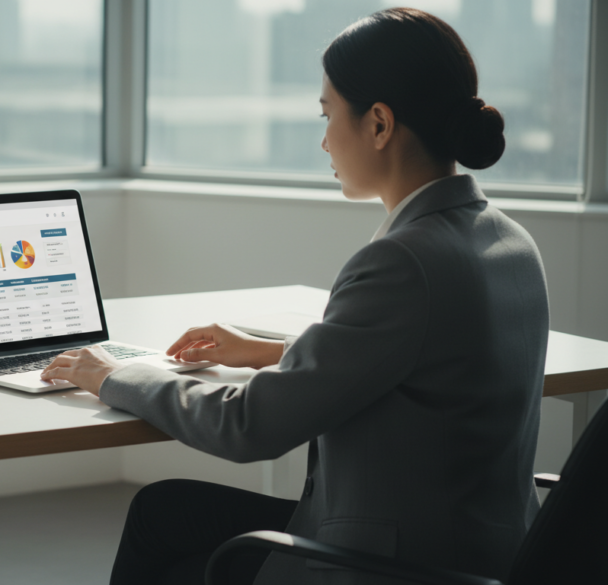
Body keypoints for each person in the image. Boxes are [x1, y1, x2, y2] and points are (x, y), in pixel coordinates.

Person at [41, 7, 549, 585]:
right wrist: (268, 351)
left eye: (328, 114)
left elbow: (248, 424)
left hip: (395, 565)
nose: (324, 139)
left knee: (163, 526)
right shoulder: (510, 241)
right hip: (486, 551)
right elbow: (417, 357)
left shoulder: (402, 261)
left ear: (379, 124)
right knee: (165, 512)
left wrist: (114, 376)